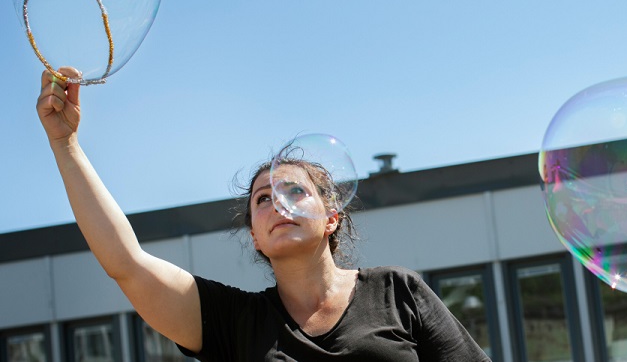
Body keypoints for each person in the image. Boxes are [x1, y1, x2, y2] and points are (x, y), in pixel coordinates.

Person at [36, 67, 491, 361]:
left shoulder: (397, 291)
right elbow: (127, 264)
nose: (278, 203)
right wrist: (66, 144)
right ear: (255, 236)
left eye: (294, 190)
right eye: (262, 199)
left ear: (332, 217)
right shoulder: (236, 322)